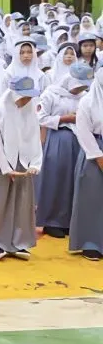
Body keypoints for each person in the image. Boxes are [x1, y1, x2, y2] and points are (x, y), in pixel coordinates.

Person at [0, 77, 43, 261]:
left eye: (30, 97)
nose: (27, 100)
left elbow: (33, 138)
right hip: (2, 163)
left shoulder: (30, 109)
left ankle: (17, 242)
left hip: (23, 162)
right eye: (23, 97)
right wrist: (6, 168)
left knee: (22, 203)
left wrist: (35, 164)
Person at [34, 63, 93, 239]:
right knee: (55, 178)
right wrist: (66, 118)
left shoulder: (85, 97)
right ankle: (52, 221)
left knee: (72, 180)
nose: (79, 90)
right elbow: (41, 118)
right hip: (58, 138)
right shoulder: (52, 94)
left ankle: (68, 220)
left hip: (78, 139)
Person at [69, 68, 103, 261]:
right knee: (92, 199)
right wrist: (98, 156)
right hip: (94, 151)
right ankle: (91, 243)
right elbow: (83, 131)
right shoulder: (87, 101)